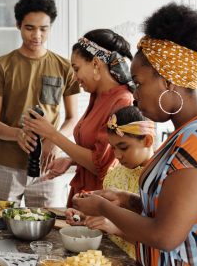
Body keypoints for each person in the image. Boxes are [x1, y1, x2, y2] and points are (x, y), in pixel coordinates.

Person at [72, 3, 197, 265]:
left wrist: (103, 208)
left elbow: (166, 235)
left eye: (140, 83)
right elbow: (174, 211)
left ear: (167, 82)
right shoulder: (183, 136)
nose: (135, 94)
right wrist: (128, 201)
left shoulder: (196, 142)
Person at [0, 0, 80, 207]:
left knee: (47, 231)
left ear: (50, 27)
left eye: (43, 29)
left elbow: (73, 118)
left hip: (47, 166)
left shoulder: (64, 67)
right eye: (29, 28)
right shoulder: (1, 66)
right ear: (18, 25)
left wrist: (53, 140)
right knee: (1, 228)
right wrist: (18, 134)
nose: (36, 36)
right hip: (5, 166)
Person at [25, 28, 135, 207]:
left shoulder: (122, 101)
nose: (75, 78)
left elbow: (102, 166)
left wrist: (53, 135)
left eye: (76, 69)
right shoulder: (98, 95)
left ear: (96, 63)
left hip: (102, 202)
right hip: (83, 195)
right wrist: (70, 160)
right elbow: (96, 150)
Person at [65, 106, 154, 259]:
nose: (118, 155)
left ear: (147, 140)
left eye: (124, 147)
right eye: (113, 148)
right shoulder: (114, 175)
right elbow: (108, 219)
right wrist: (86, 218)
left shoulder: (159, 180)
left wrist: (117, 229)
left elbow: (159, 239)